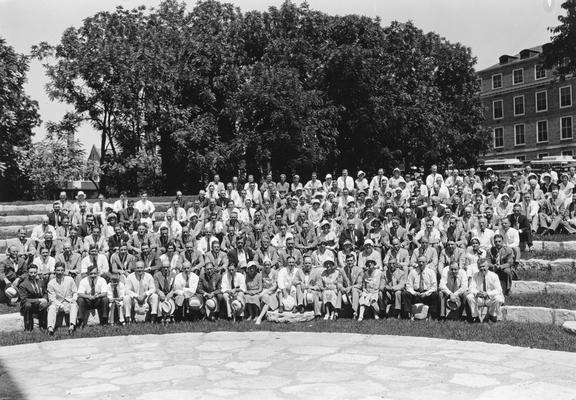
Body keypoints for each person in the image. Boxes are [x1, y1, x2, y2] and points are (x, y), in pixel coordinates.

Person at [466, 258, 504, 323]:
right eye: (480, 267)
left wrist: (488, 294)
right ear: (478, 267)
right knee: (469, 296)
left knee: (498, 298)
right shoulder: (475, 275)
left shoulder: (494, 276)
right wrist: (477, 293)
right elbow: (471, 288)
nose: (482, 268)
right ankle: (475, 317)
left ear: (488, 266)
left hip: (490, 299)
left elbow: (499, 290)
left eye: (483, 266)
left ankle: (491, 315)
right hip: (480, 298)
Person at [401, 255, 438, 320]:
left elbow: (434, 287)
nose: (421, 263)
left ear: (426, 263)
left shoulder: (431, 272)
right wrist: (414, 293)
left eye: (423, 262)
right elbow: (408, 285)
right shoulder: (413, 272)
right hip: (416, 293)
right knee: (405, 293)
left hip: (427, 294)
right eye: (419, 262)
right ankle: (408, 314)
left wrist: (426, 293)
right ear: (417, 262)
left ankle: (432, 315)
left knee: (435, 294)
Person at [47, 262, 78, 335]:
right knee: (51, 307)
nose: (60, 272)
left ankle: (72, 326)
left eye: (62, 270)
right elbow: (52, 299)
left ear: (64, 271)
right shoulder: (51, 283)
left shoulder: (70, 279)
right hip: (58, 304)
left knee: (74, 305)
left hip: (69, 302)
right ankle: (50, 328)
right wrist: (61, 306)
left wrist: (74, 300)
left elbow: (75, 292)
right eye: (58, 270)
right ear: (55, 271)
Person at [19, 264, 48, 332]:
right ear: (27, 273)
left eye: (35, 272)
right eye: (31, 272)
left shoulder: (41, 281)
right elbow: (24, 299)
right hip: (28, 305)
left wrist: (44, 299)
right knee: (27, 305)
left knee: (46, 304)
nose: (33, 274)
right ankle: (28, 327)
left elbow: (45, 293)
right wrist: (39, 300)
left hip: (38, 304)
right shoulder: (23, 285)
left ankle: (43, 325)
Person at [339, 253, 363, 319]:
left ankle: (354, 312)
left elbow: (359, 284)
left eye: (351, 260)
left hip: (356, 289)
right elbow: (339, 282)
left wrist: (350, 288)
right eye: (348, 261)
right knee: (339, 291)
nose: (349, 262)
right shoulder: (342, 270)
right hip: (346, 289)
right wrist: (341, 287)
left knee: (354, 290)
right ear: (345, 261)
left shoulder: (359, 270)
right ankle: (336, 311)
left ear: (354, 261)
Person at [255, 260, 279, 325]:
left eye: (268, 265)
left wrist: (268, 291)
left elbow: (275, 286)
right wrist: (264, 291)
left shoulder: (274, 272)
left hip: (273, 292)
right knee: (265, 298)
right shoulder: (261, 273)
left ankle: (259, 317)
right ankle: (261, 316)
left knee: (267, 299)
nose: (267, 266)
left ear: (270, 265)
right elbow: (260, 284)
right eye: (265, 265)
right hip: (264, 291)